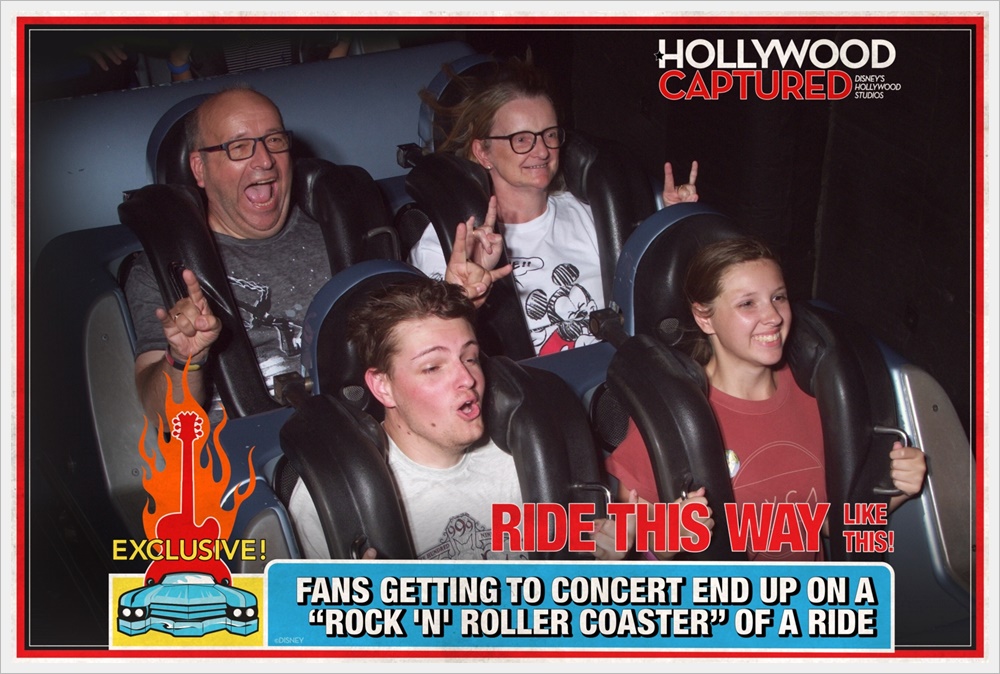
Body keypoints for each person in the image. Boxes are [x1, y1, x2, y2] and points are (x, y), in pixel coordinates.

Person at [125, 86, 508, 424]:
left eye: (274, 141)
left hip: (368, 426)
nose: (264, 160)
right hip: (252, 454)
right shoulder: (164, 271)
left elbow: (413, 350)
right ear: (200, 167)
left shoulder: (349, 237)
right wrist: (185, 359)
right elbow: (163, 417)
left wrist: (459, 299)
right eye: (239, 147)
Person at [605, 237, 927, 561]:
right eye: (748, 303)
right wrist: (669, 540)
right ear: (704, 317)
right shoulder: (674, 412)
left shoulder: (818, 397)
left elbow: (830, 523)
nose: (773, 316)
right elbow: (636, 538)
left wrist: (895, 488)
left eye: (778, 297)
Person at [288, 277, 635, 560]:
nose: (467, 379)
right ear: (383, 387)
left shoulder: (528, 451)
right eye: (432, 367)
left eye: (470, 358)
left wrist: (608, 566)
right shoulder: (336, 495)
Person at [408, 56, 699, 356]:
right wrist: (462, 299)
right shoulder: (445, 243)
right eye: (522, 139)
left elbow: (656, 299)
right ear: (483, 152)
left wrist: (674, 229)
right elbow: (425, 352)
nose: (542, 151)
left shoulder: (593, 215)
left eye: (549, 135)